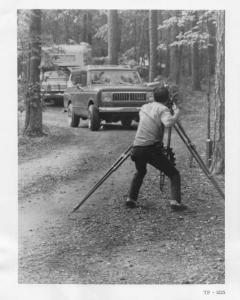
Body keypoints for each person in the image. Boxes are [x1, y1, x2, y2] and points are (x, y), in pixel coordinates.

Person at [126, 86, 187, 211]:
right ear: (167, 98)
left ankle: (131, 199)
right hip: (151, 149)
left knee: (140, 172)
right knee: (174, 174)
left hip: (137, 148)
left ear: (154, 97)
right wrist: (176, 113)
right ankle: (175, 202)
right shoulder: (163, 109)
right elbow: (168, 123)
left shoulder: (144, 108)